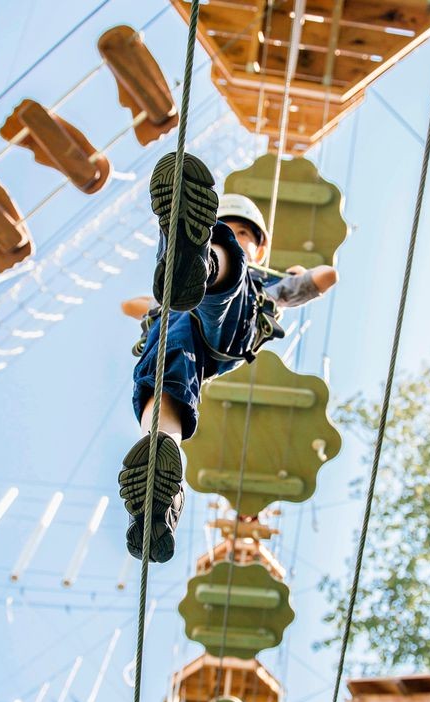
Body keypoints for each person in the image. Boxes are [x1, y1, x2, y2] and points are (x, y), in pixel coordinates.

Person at [118, 152, 338, 563]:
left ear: (259, 246)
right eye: (234, 229)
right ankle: (159, 485)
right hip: (180, 330)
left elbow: (326, 277)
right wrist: (156, 302)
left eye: (244, 234)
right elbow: (131, 305)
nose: (240, 236)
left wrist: (292, 276)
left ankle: (195, 257)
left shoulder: (266, 282)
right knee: (163, 376)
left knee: (223, 274)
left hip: (230, 325)